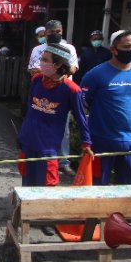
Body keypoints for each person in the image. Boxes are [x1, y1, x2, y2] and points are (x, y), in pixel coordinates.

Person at [18, 43, 93, 187]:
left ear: (58, 64)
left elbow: (80, 118)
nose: (41, 63)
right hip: (27, 142)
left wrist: (86, 143)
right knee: (27, 187)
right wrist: (21, 138)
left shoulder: (71, 90)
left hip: (48, 148)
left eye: (45, 60)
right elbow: (30, 110)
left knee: (46, 188)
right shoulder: (36, 80)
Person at [81, 30, 131, 185]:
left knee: (127, 186)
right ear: (113, 49)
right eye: (126, 46)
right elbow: (84, 102)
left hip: (130, 140)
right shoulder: (95, 74)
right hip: (101, 139)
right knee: (97, 186)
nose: (130, 50)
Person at [27, 20, 78, 176]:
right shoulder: (38, 49)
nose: (55, 34)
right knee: (39, 124)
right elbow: (32, 70)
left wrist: (47, 70)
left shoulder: (69, 48)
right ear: (45, 33)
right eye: (52, 32)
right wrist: (55, 70)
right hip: (42, 92)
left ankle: (63, 161)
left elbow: (72, 69)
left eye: (58, 32)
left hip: (62, 93)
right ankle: (39, 155)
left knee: (64, 129)